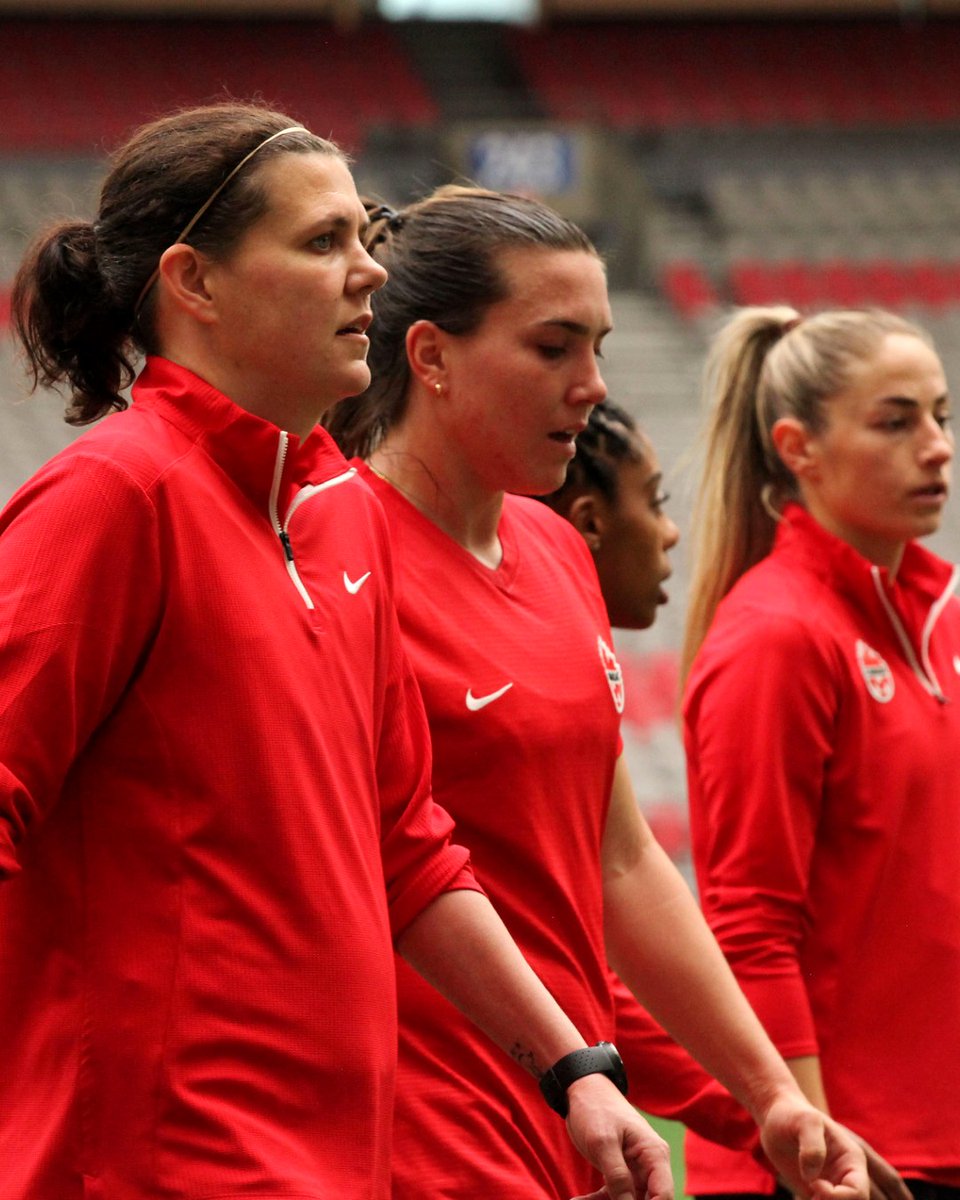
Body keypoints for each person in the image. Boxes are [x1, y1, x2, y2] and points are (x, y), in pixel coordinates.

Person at [0, 101, 691, 1200]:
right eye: (323, 243)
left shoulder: (339, 513)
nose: (369, 272)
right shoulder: (111, 499)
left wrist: (576, 1070)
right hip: (153, 1162)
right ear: (196, 284)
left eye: (363, 238)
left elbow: (407, 847)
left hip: (337, 1163)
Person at [326, 186, 869, 1200]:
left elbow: (623, 864)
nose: (592, 385)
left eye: (599, 347)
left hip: (580, 1111)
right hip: (418, 1124)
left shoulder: (553, 548)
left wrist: (770, 1094)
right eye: (553, 348)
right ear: (432, 357)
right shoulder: (332, 554)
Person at [679, 306, 960, 1200]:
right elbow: (752, 926)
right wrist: (815, 1156)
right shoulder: (777, 636)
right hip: (851, 1161)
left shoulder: (937, 620)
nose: (937, 446)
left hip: (934, 1134)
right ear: (798, 448)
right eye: (896, 421)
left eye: (941, 416)